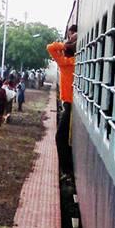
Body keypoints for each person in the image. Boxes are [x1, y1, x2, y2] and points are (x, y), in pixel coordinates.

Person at [48, 25, 78, 173]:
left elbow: (50, 47)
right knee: (66, 138)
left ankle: (67, 171)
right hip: (72, 104)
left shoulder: (65, 63)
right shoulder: (75, 62)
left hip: (70, 105)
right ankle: (67, 169)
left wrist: (65, 43)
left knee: (60, 138)